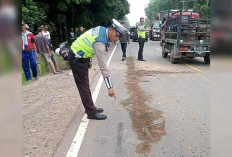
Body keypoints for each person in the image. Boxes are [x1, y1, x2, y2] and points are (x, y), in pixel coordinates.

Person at [60, 19, 127, 120]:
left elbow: (89, 42)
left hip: (81, 55)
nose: (116, 39)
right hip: (77, 58)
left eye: (119, 37)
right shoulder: (100, 42)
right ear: (111, 30)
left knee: (85, 85)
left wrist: (89, 59)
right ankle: (91, 112)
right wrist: (110, 87)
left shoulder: (101, 29)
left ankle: (90, 108)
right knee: (84, 86)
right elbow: (103, 67)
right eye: (116, 35)